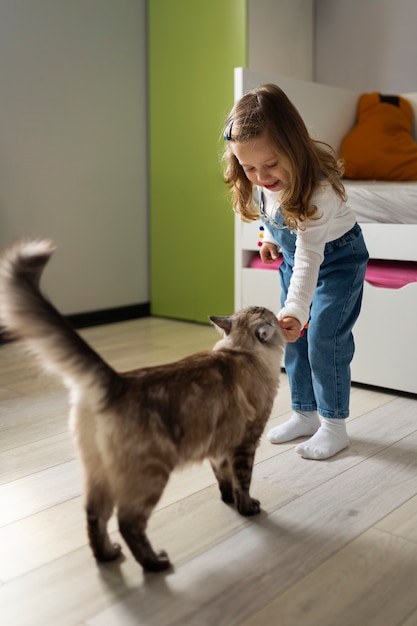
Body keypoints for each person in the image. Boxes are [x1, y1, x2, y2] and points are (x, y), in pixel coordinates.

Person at [223, 83, 369, 460]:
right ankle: (304, 413)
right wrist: (266, 238)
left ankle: (334, 426)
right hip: (293, 260)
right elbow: (267, 214)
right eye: (248, 166)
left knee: (322, 337)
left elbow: (309, 256)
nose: (261, 175)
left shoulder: (319, 192)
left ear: (294, 146)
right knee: (294, 340)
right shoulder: (260, 179)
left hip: (337, 261)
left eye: (271, 164)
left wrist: (295, 310)